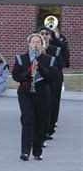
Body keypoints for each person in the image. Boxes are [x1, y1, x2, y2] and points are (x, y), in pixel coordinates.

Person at [12, 33, 56, 161]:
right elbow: (16, 76)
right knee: (27, 120)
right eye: (33, 42)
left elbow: (52, 77)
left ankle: (37, 151)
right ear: (29, 44)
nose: (35, 44)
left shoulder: (49, 59)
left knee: (40, 122)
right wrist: (28, 73)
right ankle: (25, 151)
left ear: (42, 44)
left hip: (42, 93)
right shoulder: (21, 58)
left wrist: (40, 68)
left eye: (38, 42)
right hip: (25, 93)